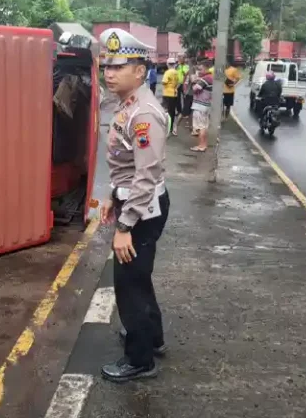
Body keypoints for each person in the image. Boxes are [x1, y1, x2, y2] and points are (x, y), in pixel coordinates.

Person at [97, 27, 170, 383]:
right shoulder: (127, 105)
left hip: (143, 209)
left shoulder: (143, 114)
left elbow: (145, 176)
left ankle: (140, 360)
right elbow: (126, 168)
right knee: (139, 278)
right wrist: (114, 197)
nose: (109, 73)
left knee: (129, 284)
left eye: (118, 66)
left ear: (139, 71)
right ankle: (151, 337)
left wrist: (124, 226)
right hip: (135, 202)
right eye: (106, 66)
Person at [190, 63, 213, 152]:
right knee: (204, 126)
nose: (199, 71)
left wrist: (194, 81)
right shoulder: (211, 77)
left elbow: (195, 88)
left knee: (200, 127)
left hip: (200, 105)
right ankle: (204, 145)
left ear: (205, 68)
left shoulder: (205, 79)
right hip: (206, 105)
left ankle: (201, 146)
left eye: (200, 69)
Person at [161, 57, 180, 135]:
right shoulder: (176, 72)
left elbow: (164, 82)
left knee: (166, 111)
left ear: (168, 64)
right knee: (172, 112)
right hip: (174, 93)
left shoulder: (168, 72)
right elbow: (178, 82)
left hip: (167, 93)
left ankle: (167, 128)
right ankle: (171, 128)